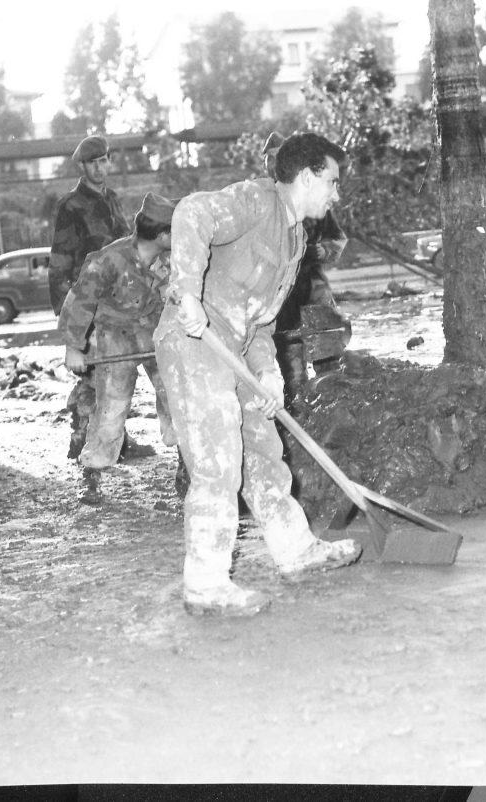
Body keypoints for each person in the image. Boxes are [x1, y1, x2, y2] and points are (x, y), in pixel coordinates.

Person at [155, 132, 362, 617]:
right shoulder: (256, 201)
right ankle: (205, 585)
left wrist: (270, 376)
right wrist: (186, 291)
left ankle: (295, 550)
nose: (336, 194)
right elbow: (191, 213)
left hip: (241, 347)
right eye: (331, 181)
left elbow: (263, 321)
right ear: (307, 176)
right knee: (218, 458)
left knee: (265, 450)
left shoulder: (295, 238)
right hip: (194, 339)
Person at [58, 192, 180, 506]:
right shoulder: (108, 260)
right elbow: (80, 302)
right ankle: (93, 473)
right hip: (114, 333)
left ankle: (187, 462)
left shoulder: (170, 257)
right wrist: (74, 346)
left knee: (176, 392)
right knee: (112, 404)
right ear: (163, 235)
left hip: (153, 327)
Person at [49, 134, 154, 462]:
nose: (99, 168)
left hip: (119, 299)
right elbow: (61, 259)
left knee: (116, 367)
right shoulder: (71, 206)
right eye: (92, 163)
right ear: (82, 166)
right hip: (89, 299)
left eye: (103, 161)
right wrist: (64, 312)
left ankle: (113, 437)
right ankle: (83, 436)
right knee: (92, 370)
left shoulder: (112, 199)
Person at [273, 207, 351, 405]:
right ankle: (299, 411)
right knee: (293, 374)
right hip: (280, 291)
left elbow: (338, 239)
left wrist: (324, 250)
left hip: (313, 287)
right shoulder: (271, 204)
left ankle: (333, 406)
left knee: (330, 363)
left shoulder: (317, 203)